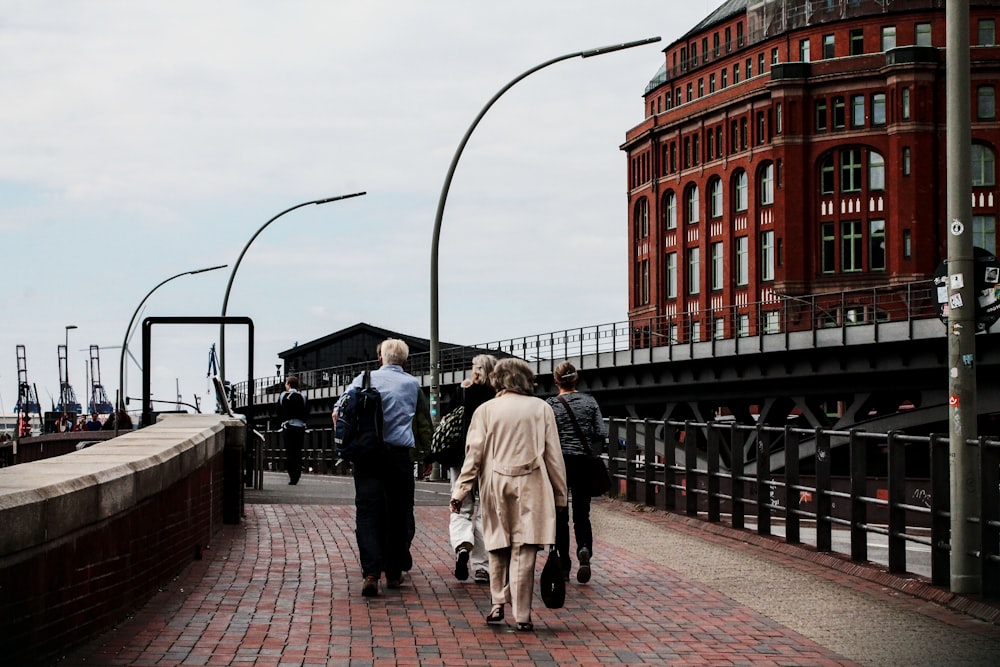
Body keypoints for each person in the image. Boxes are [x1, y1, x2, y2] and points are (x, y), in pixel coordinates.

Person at [451, 358, 567, 632]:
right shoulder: (541, 409)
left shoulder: (486, 410)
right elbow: (553, 456)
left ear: (498, 380)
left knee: (497, 544)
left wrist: (461, 491)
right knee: (525, 548)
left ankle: (497, 602)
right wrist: (560, 495)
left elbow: (474, 456)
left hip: (495, 483)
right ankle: (523, 615)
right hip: (533, 483)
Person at [334, 338, 431, 597]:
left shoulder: (362, 380)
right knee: (399, 513)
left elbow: (337, 413)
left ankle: (370, 573)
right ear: (405, 361)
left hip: (367, 456)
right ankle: (394, 571)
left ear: (380, 359)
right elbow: (419, 419)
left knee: (367, 512)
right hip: (398, 457)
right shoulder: (412, 384)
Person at [546, 361, 608, 584]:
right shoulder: (590, 402)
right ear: (576, 379)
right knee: (582, 514)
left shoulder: (551, 404)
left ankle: (564, 565)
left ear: (556, 381)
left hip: (559, 464)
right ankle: (584, 549)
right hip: (583, 462)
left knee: (560, 516)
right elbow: (601, 432)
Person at [449, 354, 496, 584]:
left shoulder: (463, 392)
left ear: (475, 371)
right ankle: (482, 567)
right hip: (489, 458)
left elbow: (448, 419)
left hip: (461, 457)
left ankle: (462, 546)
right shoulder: (496, 396)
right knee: (486, 511)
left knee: (461, 506)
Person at [276, 375, 308, 485]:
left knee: (289, 451)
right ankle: (297, 475)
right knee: (298, 451)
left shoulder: (283, 396)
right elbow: (306, 411)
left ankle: (292, 477)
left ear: (289, 384)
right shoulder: (303, 396)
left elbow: (278, 411)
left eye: (286, 383)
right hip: (300, 427)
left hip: (288, 427)